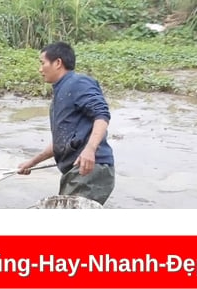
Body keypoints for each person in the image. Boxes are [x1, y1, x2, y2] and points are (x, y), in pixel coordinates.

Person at [18, 42, 115, 205]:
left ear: (57, 63)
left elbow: (102, 114)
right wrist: (33, 162)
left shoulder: (78, 83)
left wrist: (90, 150)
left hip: (90, 169)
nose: (40, 69)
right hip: (77, 171)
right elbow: (62, 141)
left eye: (42, 63)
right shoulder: (61, 91)